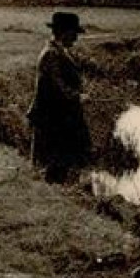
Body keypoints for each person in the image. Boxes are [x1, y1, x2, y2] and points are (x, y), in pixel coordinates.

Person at [27, 11, 92, 183]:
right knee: (53, 162)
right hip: (50, 118)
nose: (76, 38)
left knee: (60, 161)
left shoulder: (59, 51)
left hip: (58, 116)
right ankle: (53, 193)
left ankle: (58, 189)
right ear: (63, 32)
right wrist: (78, 97)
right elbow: (58, 86)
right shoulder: (51, 54)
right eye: (73, 34)